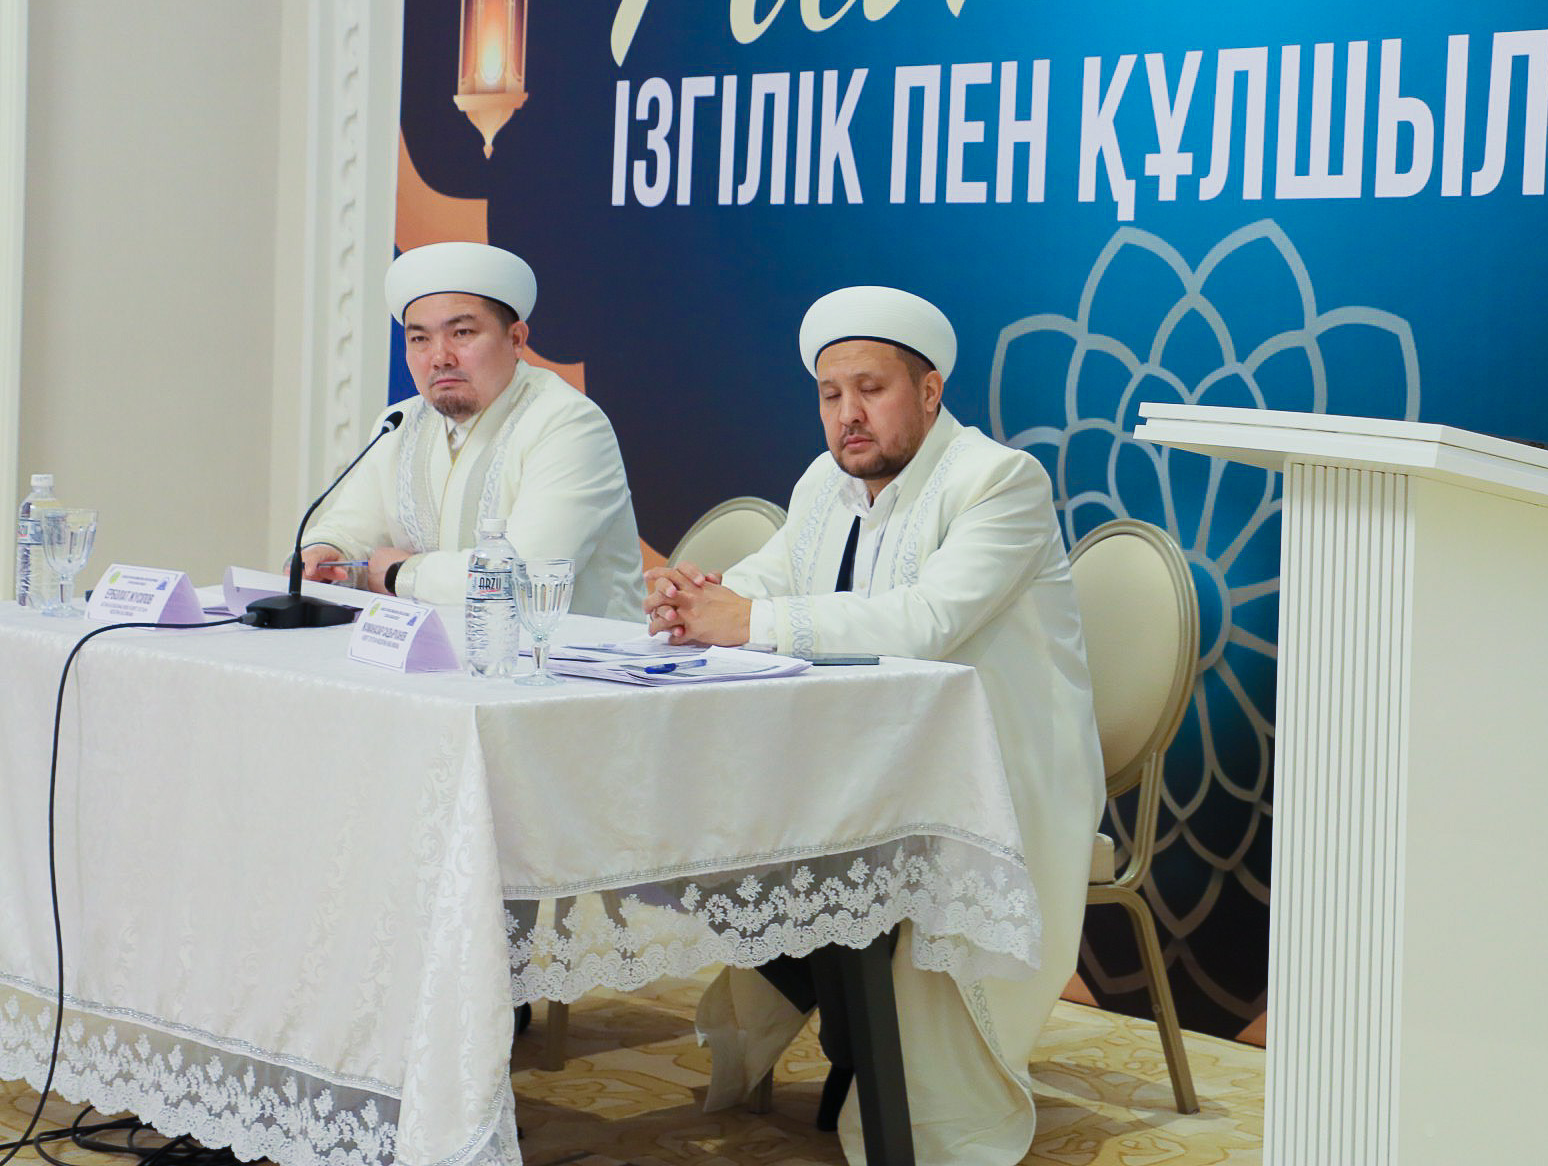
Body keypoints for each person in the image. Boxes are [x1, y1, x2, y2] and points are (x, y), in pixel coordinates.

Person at [646, 284, 1103, 1166]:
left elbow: (925, 621)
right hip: (864, 760)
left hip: (997, 773)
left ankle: (898, 1087)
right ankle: (849, 1028)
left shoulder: (999, 481)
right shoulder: (825, 482)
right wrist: (699, 595)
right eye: (830, 394)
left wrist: (747, 621)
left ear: (929, 392)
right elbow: (769, 579)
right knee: (728, 834)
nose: (847, 415)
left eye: (870, 389)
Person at [299, 241, 644, 621]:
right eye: (419, 339)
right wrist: (327, 553)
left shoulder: (568, 424)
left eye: (462, 333)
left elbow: (527, 573)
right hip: (437, 648)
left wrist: (402, 575)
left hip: (571, 654)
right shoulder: (399, 423)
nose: (440, 357)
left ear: (516, 339)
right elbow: (354, 526)